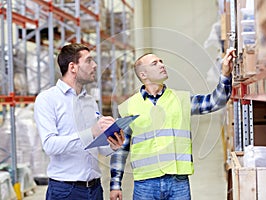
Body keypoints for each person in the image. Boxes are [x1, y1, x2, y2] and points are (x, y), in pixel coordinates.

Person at [109, 49, 236, 200]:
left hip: (178, 182)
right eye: (154, 63)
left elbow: (215, 102)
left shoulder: (181, 99)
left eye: (161, 61)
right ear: (143, 75)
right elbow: (120, 148)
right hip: (145, 183)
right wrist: (115, 184)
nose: (161, 65)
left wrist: (225, 75)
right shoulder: (129, 107)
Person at [34, 43, 125, 200]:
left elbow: (97, 147)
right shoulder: (47, 99)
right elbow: (49, 145)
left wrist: (112, 145)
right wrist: (92, 132)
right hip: (66, 191)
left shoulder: (89, 101)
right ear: (73, 67)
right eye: (89, 61)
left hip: (95, 189)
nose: (95, 65)